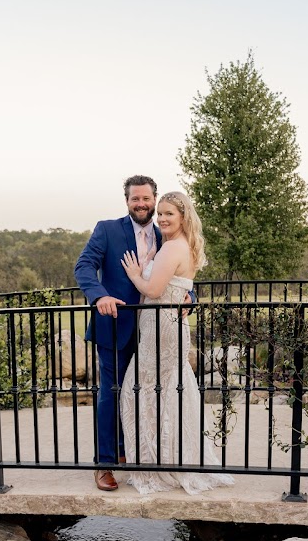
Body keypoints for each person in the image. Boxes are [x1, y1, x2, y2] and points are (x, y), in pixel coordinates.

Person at [119, 192, 234, 495]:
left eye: (169, 213)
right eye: (160, 214)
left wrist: (134, 275)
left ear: (183, 216)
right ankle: (169, 458)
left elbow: (154, 289)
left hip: (161, 329)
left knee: (142, 391)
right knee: (167, 391)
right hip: (169, 327)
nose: (162, 219)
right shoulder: (186, 246)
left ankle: (159, 463)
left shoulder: (172, 247)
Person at [75, 175, 162, 491]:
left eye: (146, 198)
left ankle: (132, 452)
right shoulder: (107, 230)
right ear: (127, 201)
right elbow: (84, 266)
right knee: (111, 393)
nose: (141, 204)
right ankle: (105, 463)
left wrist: (189, 298)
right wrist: (99, 296)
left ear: (155, 199)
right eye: (135, 199)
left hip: (155, 330)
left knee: (148, 393)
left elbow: (181, 274)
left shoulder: (167, 234)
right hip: (114, 326)